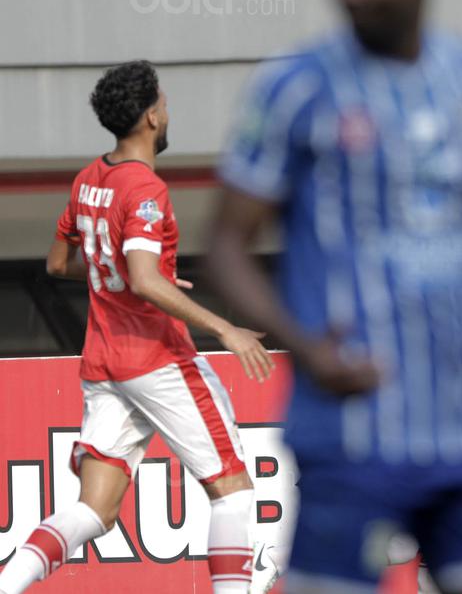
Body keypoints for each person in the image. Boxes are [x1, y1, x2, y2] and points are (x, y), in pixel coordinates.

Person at [205, 0, 462, 594]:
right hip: (348, 437)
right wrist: (304, 349)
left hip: (460, 434)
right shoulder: (295, 87)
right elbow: (224, 247)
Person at [0, 61, 273, 594]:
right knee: (234, 491)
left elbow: (59, 264)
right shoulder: (145, 190)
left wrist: (128, 272)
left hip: (104, 363)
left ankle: (9, 583)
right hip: (157, 357)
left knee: (94, 510)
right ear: (151, 117)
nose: (168, 113)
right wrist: (226, 328)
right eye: (165, 105)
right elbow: (146, 281)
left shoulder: (87, 179)